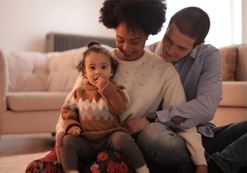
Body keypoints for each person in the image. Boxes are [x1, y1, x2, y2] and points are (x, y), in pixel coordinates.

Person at [56, 1, 208, 173]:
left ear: (148, 34)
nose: (127, 48)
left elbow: (181, 119)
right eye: (120, 39)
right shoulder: (100, 61)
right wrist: (62, 132)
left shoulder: (164, 71)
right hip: (88, 139)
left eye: (135, 41)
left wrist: (201, 162)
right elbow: (72, 102)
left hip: (128, 147)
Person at [128, 6, 246, 173]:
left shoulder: (208, 55)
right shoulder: (146, 55)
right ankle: (212, 163)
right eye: (168, 39)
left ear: (197, 45)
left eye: (181, 48)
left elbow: (207, 106)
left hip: (202, 136)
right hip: (162, 139)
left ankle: (215, 166)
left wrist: (154, 117)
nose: (170, 50)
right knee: (152, 135)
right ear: (167, 28)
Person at [57, 41, 150, 173]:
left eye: (104, 67)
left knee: (123, 138)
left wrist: (105, 88)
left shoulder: (117, 90)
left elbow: (120, 106)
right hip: (85, 140)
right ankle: (71, 170)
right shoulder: (79, 92)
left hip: (109, 139)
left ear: (111, 71)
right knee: (67, 141)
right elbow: (67, 110)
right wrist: (72, 125)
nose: (98, 72)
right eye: (92, 68)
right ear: (84, 71)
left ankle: (142, 168)